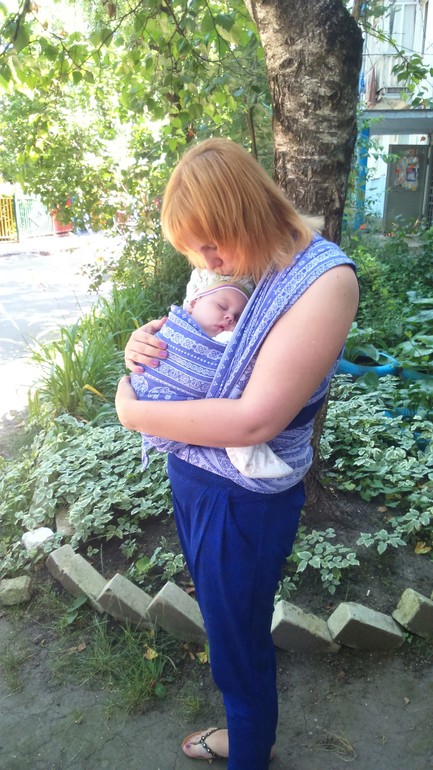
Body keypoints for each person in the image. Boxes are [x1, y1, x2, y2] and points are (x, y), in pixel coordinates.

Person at [115, 137, 359, 770]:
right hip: (198, 476)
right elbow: (198, 338)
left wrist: (132, 411)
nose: (208, 263)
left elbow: (255, 419)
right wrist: (147, 348)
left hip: (242, 497)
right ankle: (250, 735)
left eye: (209, 245)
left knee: (236, 637)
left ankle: (250, 750)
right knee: (226, 621)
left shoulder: (324, 282)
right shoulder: (248, 268)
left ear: (241, 214)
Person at [130, 279, 294, 479]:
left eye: (238, 318)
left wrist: (128, 408)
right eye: (222, 306)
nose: (229, 317)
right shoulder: (165, 330)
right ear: (193, 303)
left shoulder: (234, 348)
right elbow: (142, 366)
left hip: (204, 458)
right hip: (178, 458)